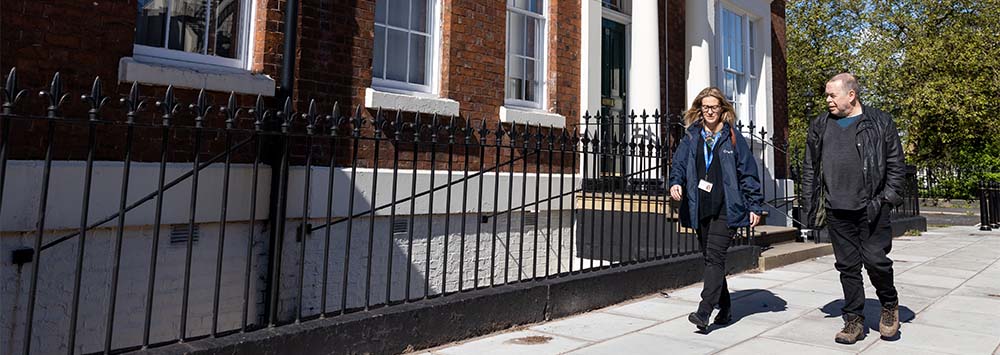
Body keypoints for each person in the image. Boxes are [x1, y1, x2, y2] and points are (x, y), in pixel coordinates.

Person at [801, 73, 906, 344]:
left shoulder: (880, 122)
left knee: (876, 261)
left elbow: (896, 165)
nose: (827, 100)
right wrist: (809, 205)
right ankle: (853, 320)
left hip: (871, 207)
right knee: (847, 267)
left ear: (851, 95)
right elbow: (810, 167)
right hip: (837, 208)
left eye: (832, 95)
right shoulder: (820, 125)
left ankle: (889, 304)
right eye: (826, 95)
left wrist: (887, 199)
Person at [669, 87, 763, 331]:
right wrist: (675, 182)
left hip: (726, 208)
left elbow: (748, 173)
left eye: (714, 107)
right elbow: (678, 163)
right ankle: (727, 306)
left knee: (715, 257)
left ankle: (704, 311)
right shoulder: (692, 136)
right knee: (711, 258)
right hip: (699, 205)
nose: (710, 111)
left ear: (723, 109)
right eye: (705, 107)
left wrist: (754, 205)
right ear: (699, 109)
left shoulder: (732, 137)